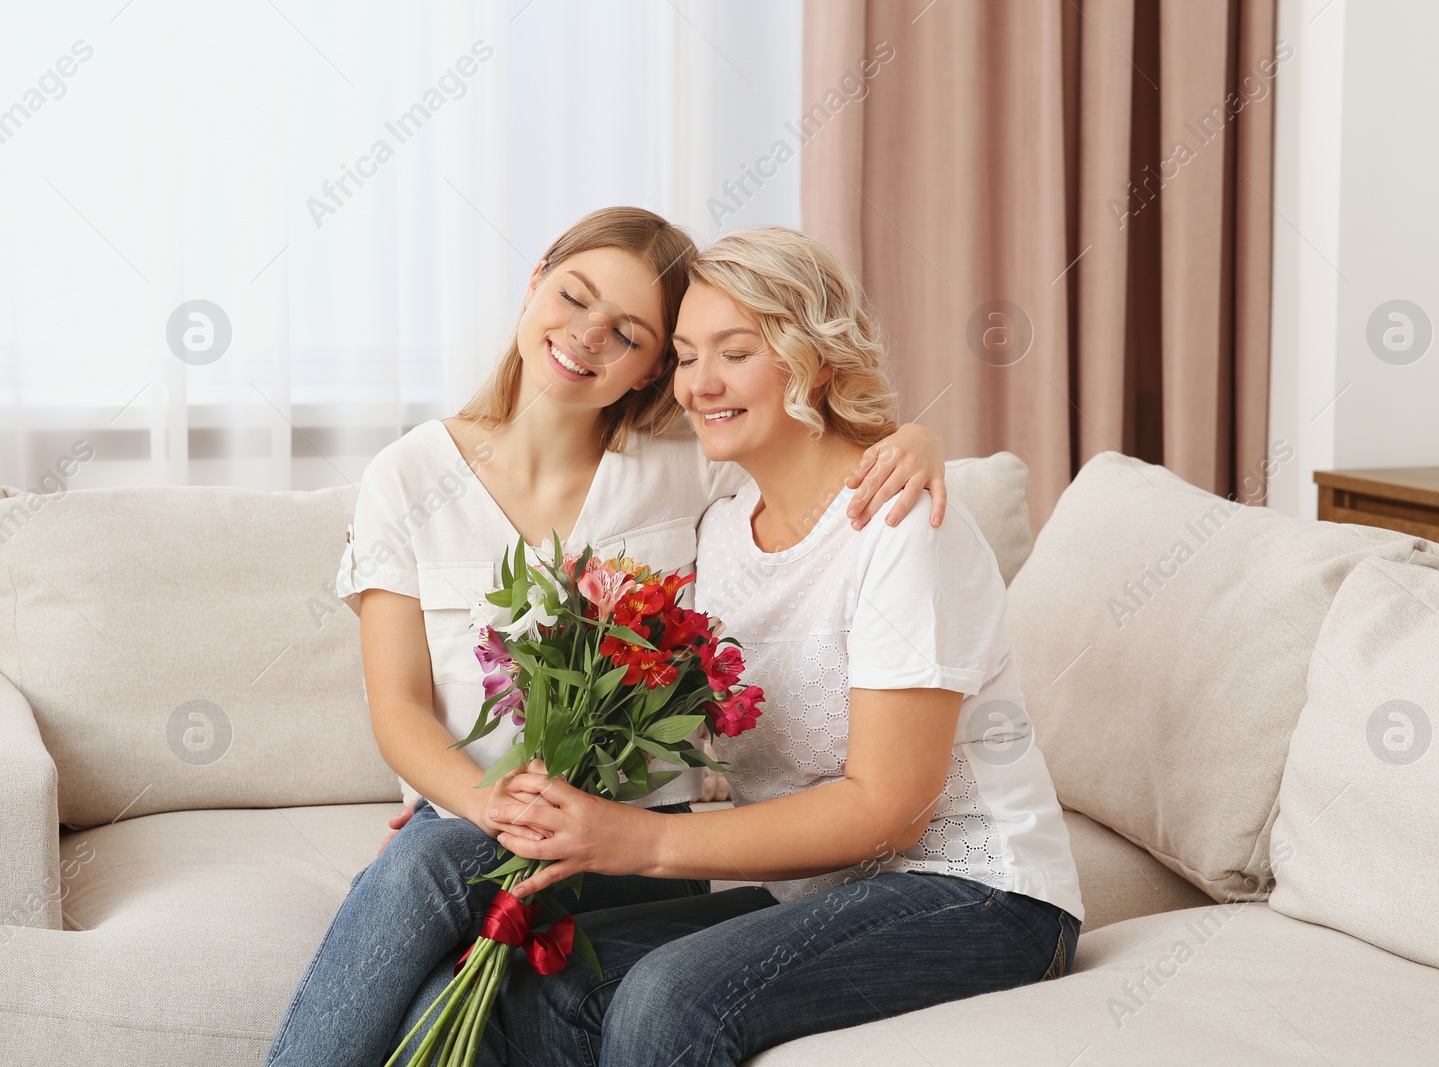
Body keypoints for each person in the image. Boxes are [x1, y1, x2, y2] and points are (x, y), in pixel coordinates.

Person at [261, 208, 948, 1067]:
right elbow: (397, 705)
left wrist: (913, 439)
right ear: (535, 278)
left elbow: (808, 438)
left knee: (428, 867)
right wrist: (484, 805)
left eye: (625, 333)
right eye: (573, 296)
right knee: (435, 987)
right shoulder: (408, 476)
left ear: (652, 368)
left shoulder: (684, 461)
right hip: (472, 832)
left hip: (629, 845)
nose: (585, 338)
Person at [420, 226, 1084, 1067]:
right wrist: (468, 784)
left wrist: (642, 842)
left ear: (816, 361)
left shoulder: (900, 524)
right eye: (687, 356)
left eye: (733, 353)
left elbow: (891, 807)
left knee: (669, 1001)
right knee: (539, 977)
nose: (700, 385)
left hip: (981, 895)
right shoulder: (722, 528)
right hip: (812, 894)